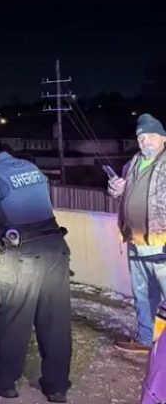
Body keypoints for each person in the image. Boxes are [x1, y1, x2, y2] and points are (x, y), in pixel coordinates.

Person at [0, 139, 71, 402]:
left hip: (21, 254)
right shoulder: (30, 167)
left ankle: (3, 381)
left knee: (14, 320)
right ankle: (56, 387)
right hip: (56, 249)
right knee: (55, 320)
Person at [108, 113, 166, 354]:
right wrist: (115, 189)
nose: (144, 142)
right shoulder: (132, 163)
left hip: (161, 244)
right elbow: (120, 196)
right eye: (141, 137)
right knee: (142, 295)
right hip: (135, 241)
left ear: (163, 138)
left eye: (150, 136)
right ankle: (145, 340)